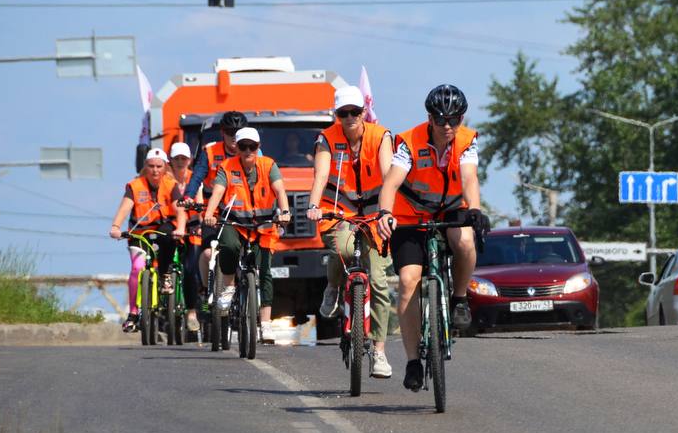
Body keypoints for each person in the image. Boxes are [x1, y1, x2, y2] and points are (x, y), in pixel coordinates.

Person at [376, 84, 489, 392]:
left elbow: (469, 177)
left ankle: (459, 298)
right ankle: (413, 361)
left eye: (455, 119)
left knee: (465, 241)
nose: (448, 126)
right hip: (412, 215)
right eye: (441, 120)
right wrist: (385, 212)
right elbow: (391, 183)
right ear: (429, 118)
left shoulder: (467, 141)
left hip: (451, 209)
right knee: (409, 281)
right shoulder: (409, 143)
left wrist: (475, 209)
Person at [306, 85, 394, 379]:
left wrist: (386, 213)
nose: (350, 118)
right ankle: (333, 286)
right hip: (339, 211)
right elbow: (320, 175)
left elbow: (386, 176)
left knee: (380, 282)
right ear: (337, 115)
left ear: (364, 113)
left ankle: (379, 351)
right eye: (343, 113)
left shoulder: (380, 137)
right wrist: (314, 204)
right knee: (342, 249)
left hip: (374, 214)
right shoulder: (326, 139)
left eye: (355, 112)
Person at [203, 127, 292, 336]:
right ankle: (229, 287)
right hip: (235, 223)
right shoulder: (226, 167)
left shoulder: (268, 165)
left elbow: (280, 190)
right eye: (243, 146)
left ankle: (266, 323)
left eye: (252, 146)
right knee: (229, 247)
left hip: (263, 225)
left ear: (258, 147)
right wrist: (209, 213)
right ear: (237, 148)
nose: (248, 151)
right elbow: (218, 192)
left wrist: (285, 212)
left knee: (265, 271)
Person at [108, 148, 187, 333]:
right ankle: (133, 314)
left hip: (163, 228)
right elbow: (124, 208)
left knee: (169, 239)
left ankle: (165, 274)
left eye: (159, 166)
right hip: (139, 231)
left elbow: (179, 209)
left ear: (165, 167)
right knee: (137, 268)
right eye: (151, 166)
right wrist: (116, 227)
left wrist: (181, 228)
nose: (155, 170)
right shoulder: (135, 186)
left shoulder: (171, 184)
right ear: (146, 167)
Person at [183, 110, 247, 314]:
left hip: (241, 212)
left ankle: (246, 289)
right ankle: (204, 289)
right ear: (222, 132)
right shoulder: (210, 152)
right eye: (230, 132)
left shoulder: (251, 151)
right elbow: (197, 176)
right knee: (208, 253)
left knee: (246, 255)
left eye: (238, 132)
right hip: (214, 213)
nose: (234, 138)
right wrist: (188, 195)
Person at [168, 141, 201, 335]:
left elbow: (199, 203)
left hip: (191, 228)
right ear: (170, 161)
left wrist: (197, 223)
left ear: (189, 160)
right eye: (177, 158)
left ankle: (191, 312)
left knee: (191, 269)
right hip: (170, 226)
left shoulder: (194, 179)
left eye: (184, 158)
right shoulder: (165, 178)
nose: (180, 162)